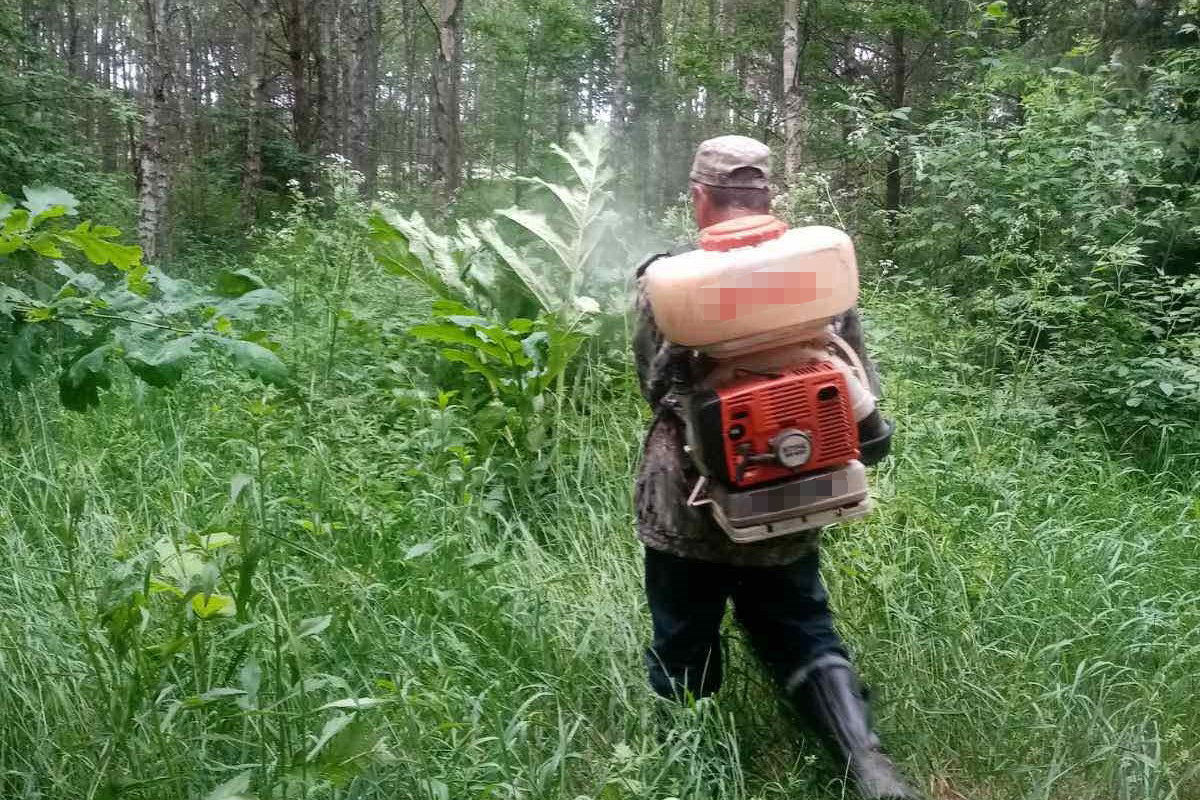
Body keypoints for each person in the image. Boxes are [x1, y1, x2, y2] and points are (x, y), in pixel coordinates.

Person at [632, 135, 919, 800]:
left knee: (683, 638)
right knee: (803, 629)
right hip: (793, 494)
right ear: (768, 199)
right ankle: (865, 760)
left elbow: (655, 387)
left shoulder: (665, 282)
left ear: (701, 200)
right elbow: (858, 387)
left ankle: (688, 770)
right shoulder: (820, 274)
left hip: (688, 502)